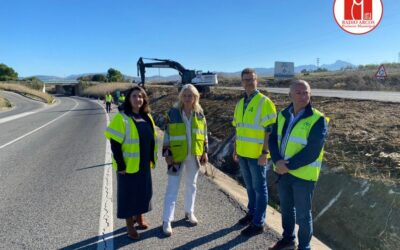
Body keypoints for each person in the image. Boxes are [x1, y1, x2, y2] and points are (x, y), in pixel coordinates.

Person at [268, 80, 329, 250]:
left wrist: (287, 165)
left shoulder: (318, 119)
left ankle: (304, 247)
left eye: (306, 92)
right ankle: (288, 240)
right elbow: (273, 139)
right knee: (286, 209)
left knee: (303, 215)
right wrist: (277, 160)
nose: (303, 96)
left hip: (303, 175)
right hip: (283, 172)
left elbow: (313, 150)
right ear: (290, 95)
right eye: (299, 93)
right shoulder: (283, 115)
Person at [104, 86, 158, 240]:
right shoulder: (121, 118)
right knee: (128, 195)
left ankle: (139, 218)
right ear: (129, 98)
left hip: (143, 163)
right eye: (134, 96)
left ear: (144, 99)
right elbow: (115, 144)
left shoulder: (147, 117)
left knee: (143, 192)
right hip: (127, 165)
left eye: (140, 96)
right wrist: (120, 165)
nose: (138, 99)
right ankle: (129, 225)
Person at [232, 68, 277, 237]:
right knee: (250, 187)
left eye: (252, 79)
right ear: (242, 82)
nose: (249, 82)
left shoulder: (264, 102)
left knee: (260, 188)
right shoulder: (240, 103)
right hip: (243, 153)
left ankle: (258, 223)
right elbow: (238, 128)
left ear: (257, 81)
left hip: (258, 155)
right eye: (246, 79)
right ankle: (251, 214)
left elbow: (270, 130)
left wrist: (265, 152)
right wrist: (236, 149)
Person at [161, 84, 208, 236]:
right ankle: (167, 220)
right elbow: (167, 135)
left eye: (191, 96)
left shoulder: (200, 114)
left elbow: (204, 134)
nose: (188, 98)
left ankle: (189, 212)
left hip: (194, 155)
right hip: (175, 157)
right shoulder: (172, 113)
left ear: (195, 97)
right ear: (181, 96)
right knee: (172, 188)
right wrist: (167, 154)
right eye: (185, 95)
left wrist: (205, 152)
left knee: (191, 185)